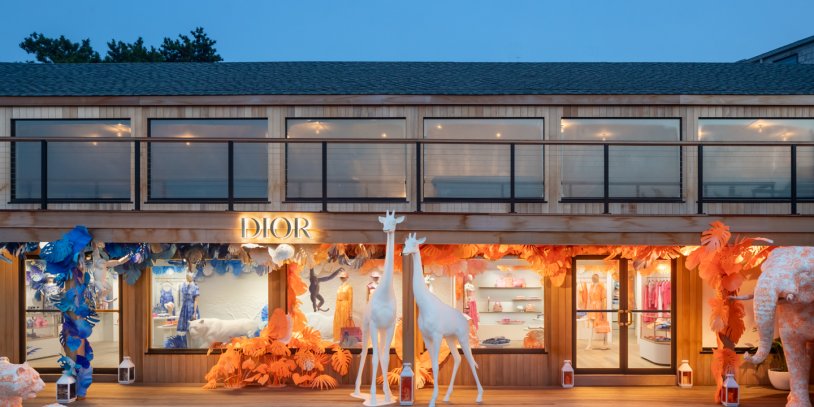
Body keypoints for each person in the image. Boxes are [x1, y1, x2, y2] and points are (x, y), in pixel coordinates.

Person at [586, 273, 609, 350]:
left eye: (594, 277)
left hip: (599, 307)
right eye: (592, 277)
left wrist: (603, 310)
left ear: (597, 278)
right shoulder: (591, 286)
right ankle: (589, 344)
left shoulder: (601, 286)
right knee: (591, 325)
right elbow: (589, 298)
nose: (593, 279)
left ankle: (605, 343)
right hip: (592, 307)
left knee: (603, 323)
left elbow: (603, 299)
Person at [333, 270, 354, 341]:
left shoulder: (349, 287)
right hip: (339, 305)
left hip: (345, 305)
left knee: (345, 320)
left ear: (346, 278)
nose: (342, 278)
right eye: (341, 277)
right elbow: (337, 298)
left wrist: (350, 312)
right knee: (338, 320)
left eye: (343, 277)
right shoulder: (339, 287)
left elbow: (350, 300)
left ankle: (345, 338)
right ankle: (338, 336)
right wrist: (336, 308)